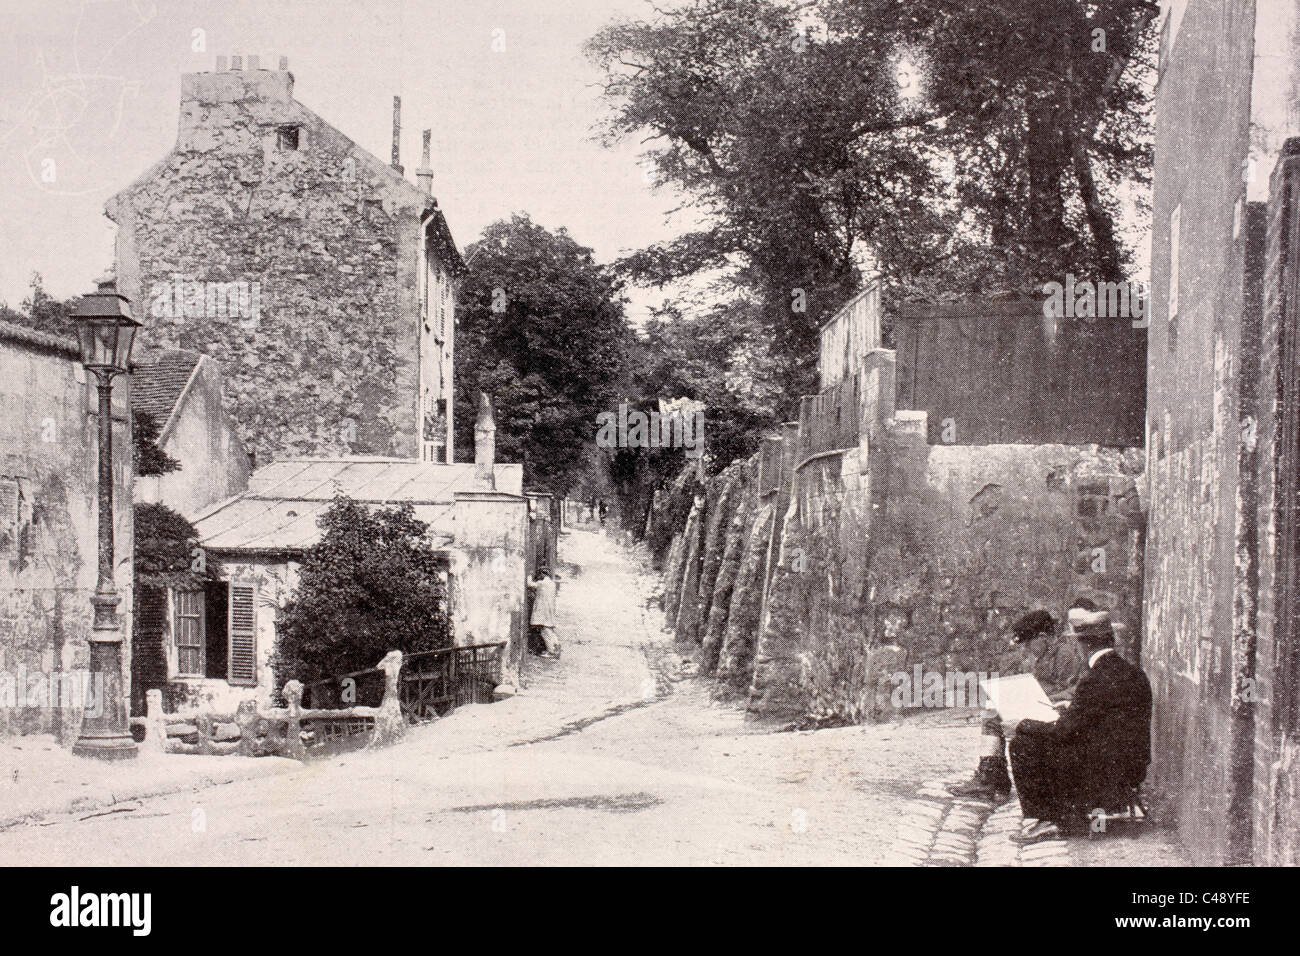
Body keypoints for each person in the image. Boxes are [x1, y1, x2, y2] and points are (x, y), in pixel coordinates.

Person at [1005, 606, 1153, 845]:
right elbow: (1106, 715)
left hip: (1105, 773)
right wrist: (1071, 705)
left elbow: (1063, 732)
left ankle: (1049, 820)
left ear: (1084, 646)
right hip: (1133, 767)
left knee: (1024, 744)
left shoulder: (1093, 680)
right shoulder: (1135, 674)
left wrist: (1022, 725)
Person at [950, 604, 1089, 801]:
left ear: (1043, 637)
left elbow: (1076, 690)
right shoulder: (1045, 656)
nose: (1027, 649)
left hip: (1059, 712)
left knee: (995, 715)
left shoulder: (1065, 654)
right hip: (1045, 706)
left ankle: (992, 778)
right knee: (992, 711)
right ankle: (991, 773)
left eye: (1029, 643)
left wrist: (1044, 698)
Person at [527, 565, 561, 658]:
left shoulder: (542, 583)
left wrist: (529, 575)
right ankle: (556, 646)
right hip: (550, 608)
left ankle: (551, 651)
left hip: (543, 609)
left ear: (542, 574)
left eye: (539, 574)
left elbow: (529, 584)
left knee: (545, 631)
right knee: (549, 629)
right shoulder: (552, 584)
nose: (538, 576)